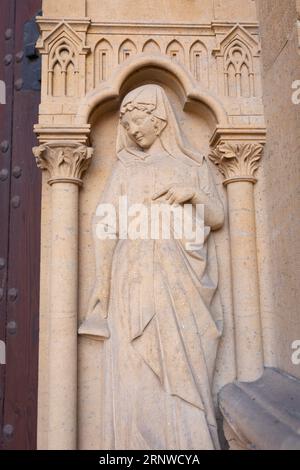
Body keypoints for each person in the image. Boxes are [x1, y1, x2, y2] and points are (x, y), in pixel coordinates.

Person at [79, 84, 224, 449]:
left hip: (181, 283)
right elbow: (105, 222)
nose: (130, 130)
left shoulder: (191, 167)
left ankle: (189, 444)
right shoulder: (126, 169)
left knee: (184, 368)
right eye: (126, 125)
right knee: (135, 368)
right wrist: (104, 282)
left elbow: (218, 217)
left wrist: (191, 194)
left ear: (158, 119)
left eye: (137, 120)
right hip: (134, 277)